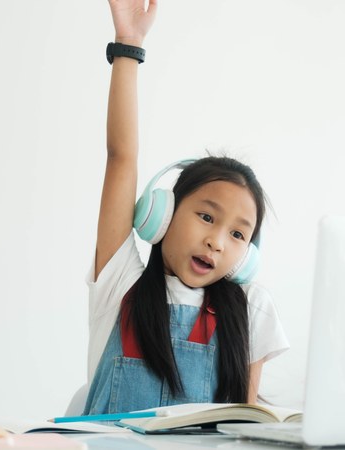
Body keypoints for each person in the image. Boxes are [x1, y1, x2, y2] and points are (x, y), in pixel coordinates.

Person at [82, 0, 289, 415]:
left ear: (247, 254)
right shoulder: (120, 283)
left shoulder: (251, 309)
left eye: (237, 234)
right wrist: (129, 45)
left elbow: (247, 423)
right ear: (162, 214)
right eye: (207, 216)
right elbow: (121, 156)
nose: (216, 241)